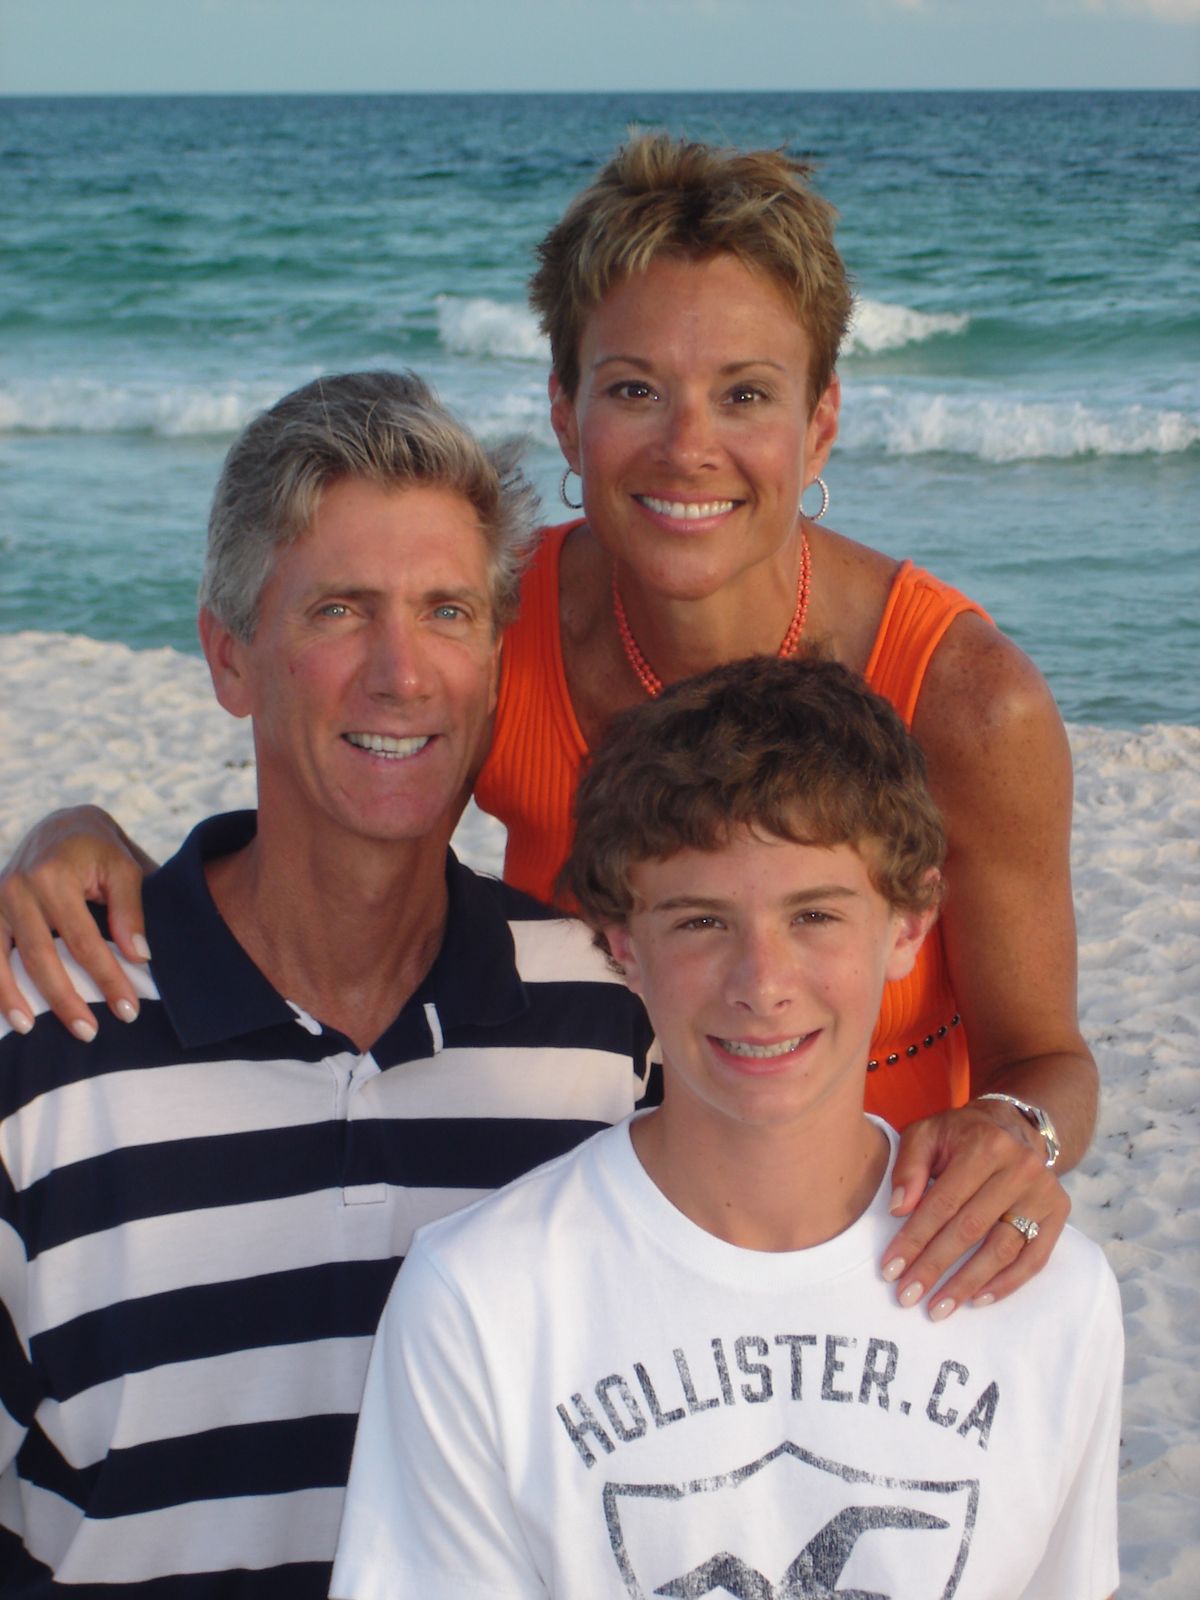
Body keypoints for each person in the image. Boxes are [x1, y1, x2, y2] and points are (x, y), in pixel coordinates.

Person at [0, 134, 1093, 1315]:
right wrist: (78, 833)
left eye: (745, 392)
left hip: (881, 1254)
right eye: (633, 389)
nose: (687, 445)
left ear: (819, 424)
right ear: (567, 419)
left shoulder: (970, 703)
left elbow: (1051, 1060)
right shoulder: (495, 631)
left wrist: (1011, 1132)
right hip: (598, 1223)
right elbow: (336, 805)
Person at [0, 371, 656, 1595]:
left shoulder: (607, 1031)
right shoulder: (43, 1037)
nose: (402, 673)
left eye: (449, 612)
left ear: (496, 660)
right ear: (229, 656)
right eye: (342, 610)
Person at [330, 657, 1121, 1600]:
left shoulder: (1045, 1290)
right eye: (703, 921)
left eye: (816, 915)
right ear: (623, 942)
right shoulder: (481, 1297)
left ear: (910, 925)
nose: (762, 983)